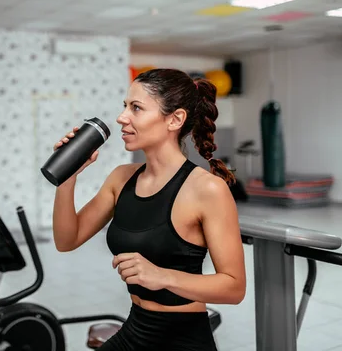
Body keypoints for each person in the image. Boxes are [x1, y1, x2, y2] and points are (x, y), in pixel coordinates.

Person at [52, 68, 246, 351]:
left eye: (136, 108)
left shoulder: (207, 190)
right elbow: (67, 240)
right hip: (135, 331)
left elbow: (234, 287)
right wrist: (67, 179)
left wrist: (162, 276)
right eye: (125, 107)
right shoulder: (121, 178)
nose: (122, 118)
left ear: (175, 119)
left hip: (183, 340)